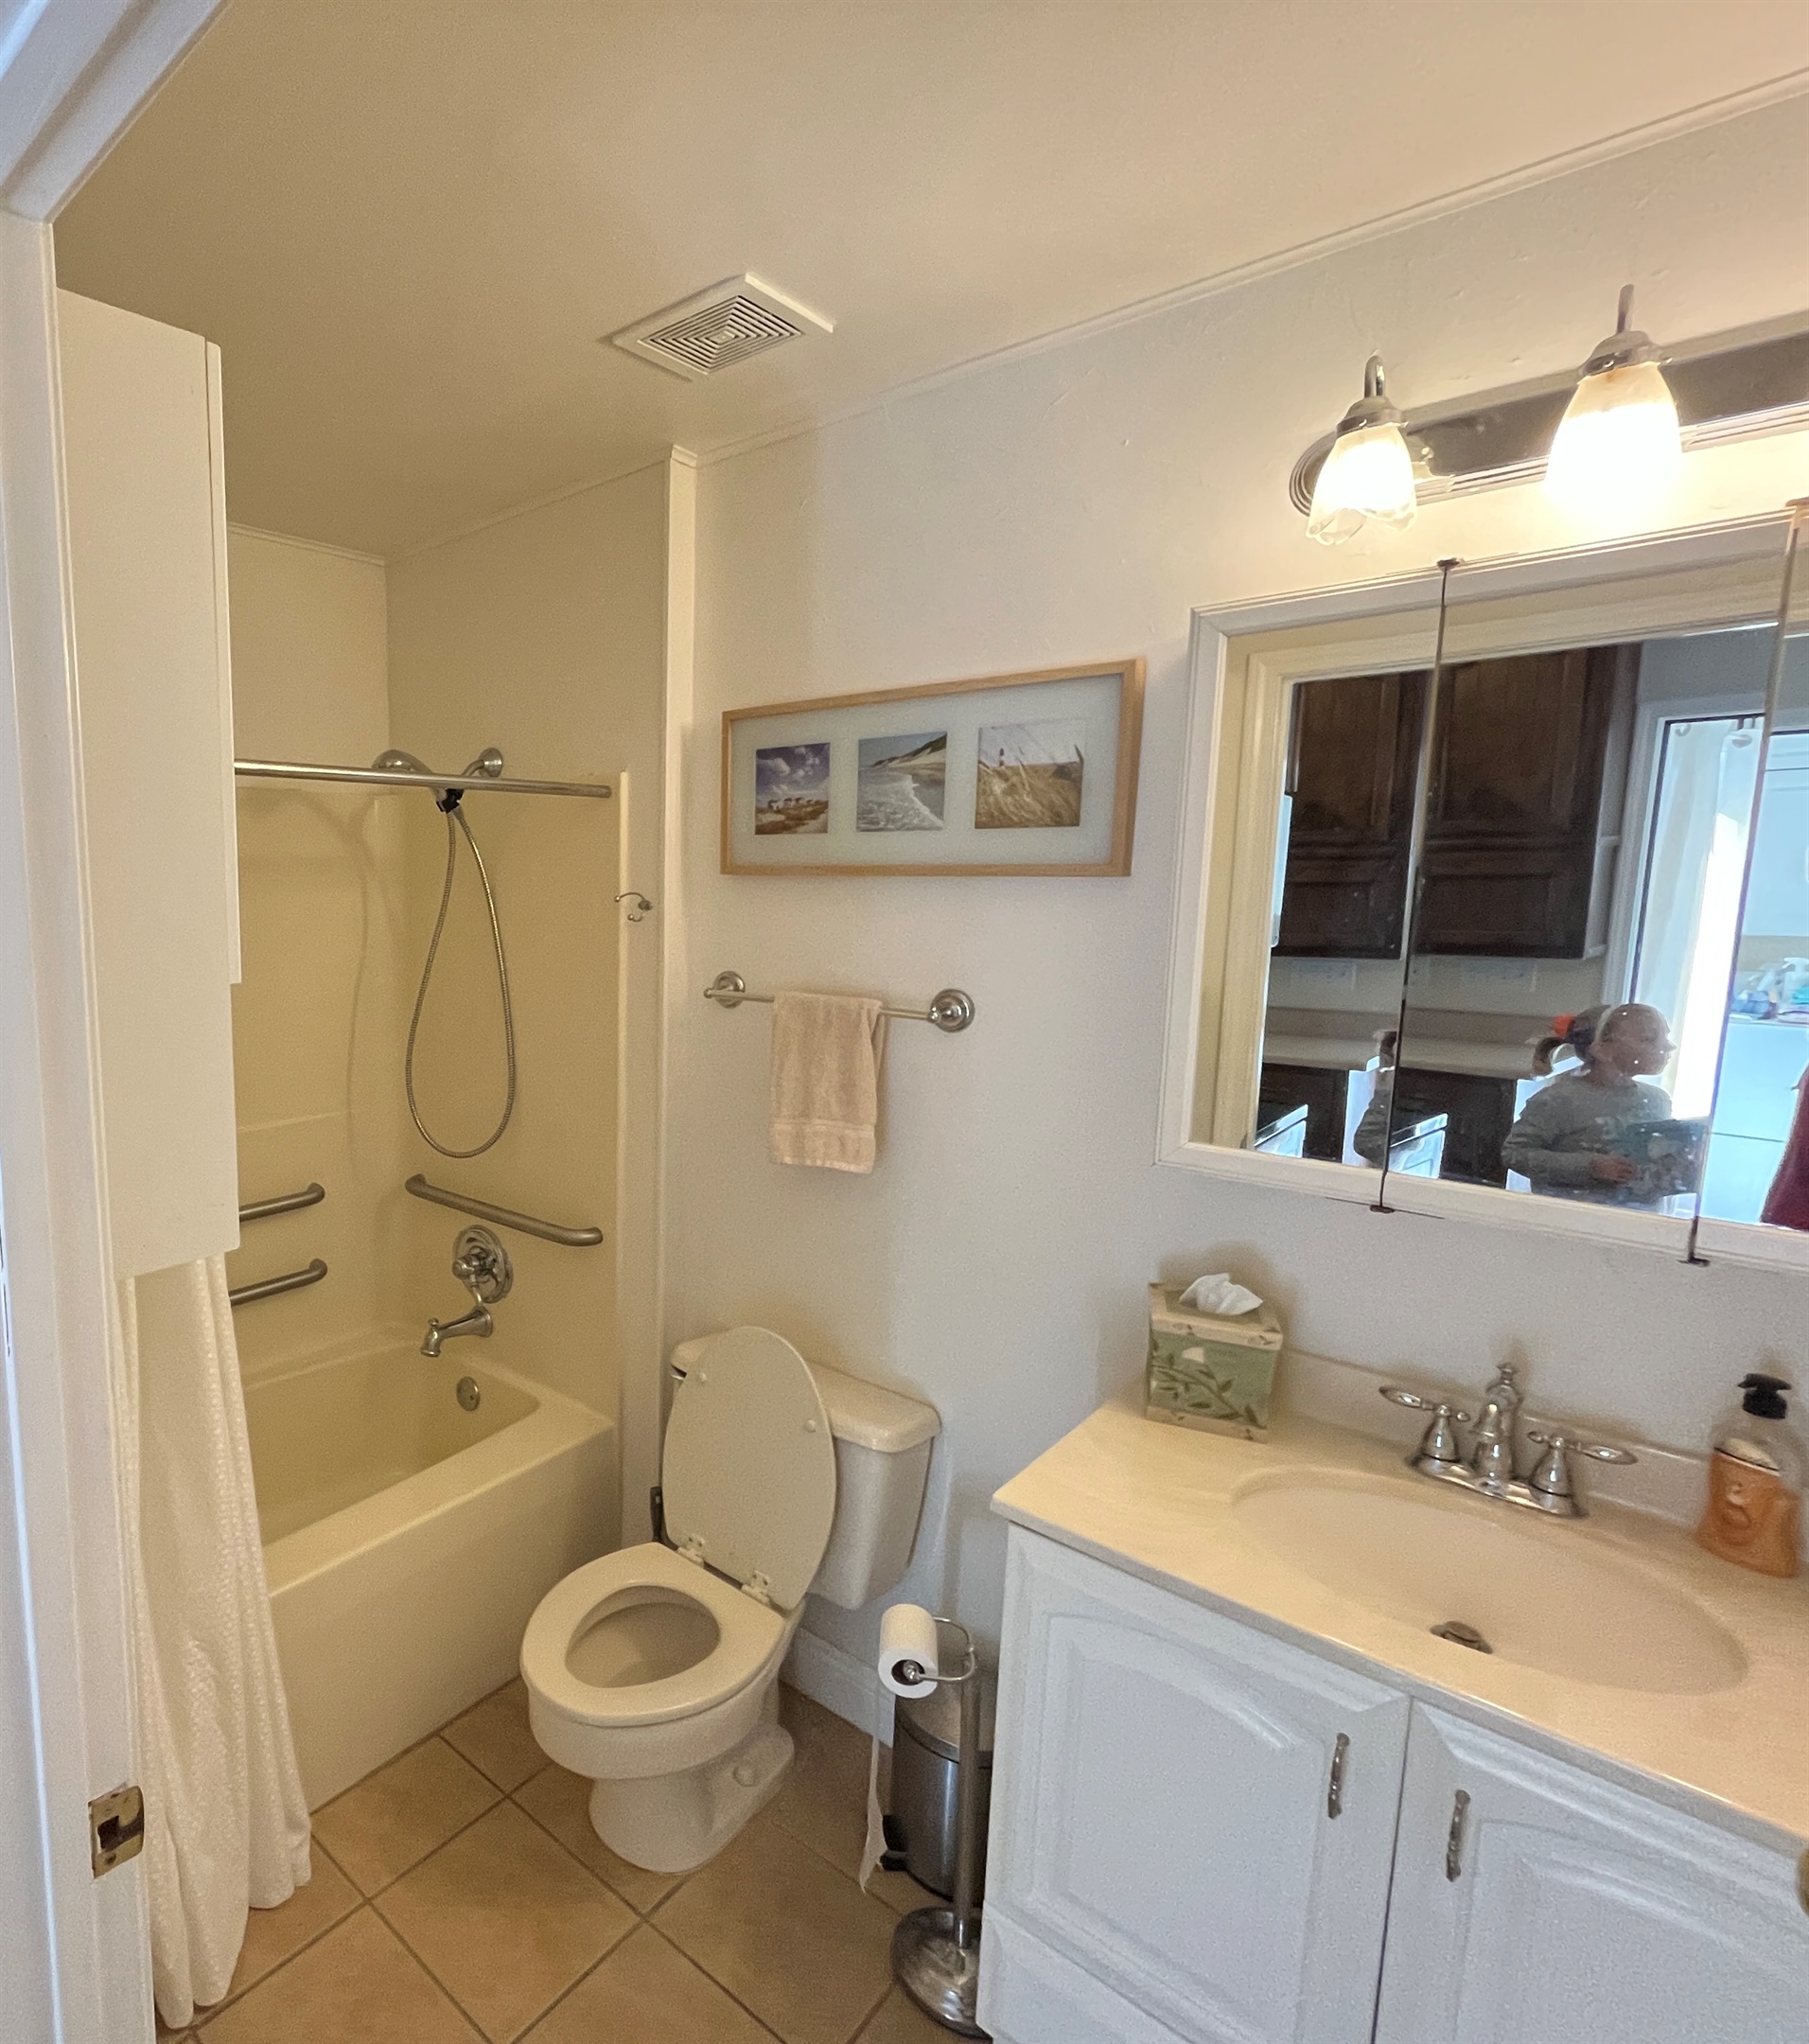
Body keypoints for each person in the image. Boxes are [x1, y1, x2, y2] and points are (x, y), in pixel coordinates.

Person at [1502, 1003, 1698, 1205]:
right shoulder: (1560, 1099)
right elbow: (1514, 1153)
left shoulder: (1658, 1099)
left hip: (1641, 1223)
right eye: (1648, 1039)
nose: (1668, 1047)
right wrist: (1590, 1167)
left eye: (1664, 1037)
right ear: (1601, 1049)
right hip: (1572, 1220)